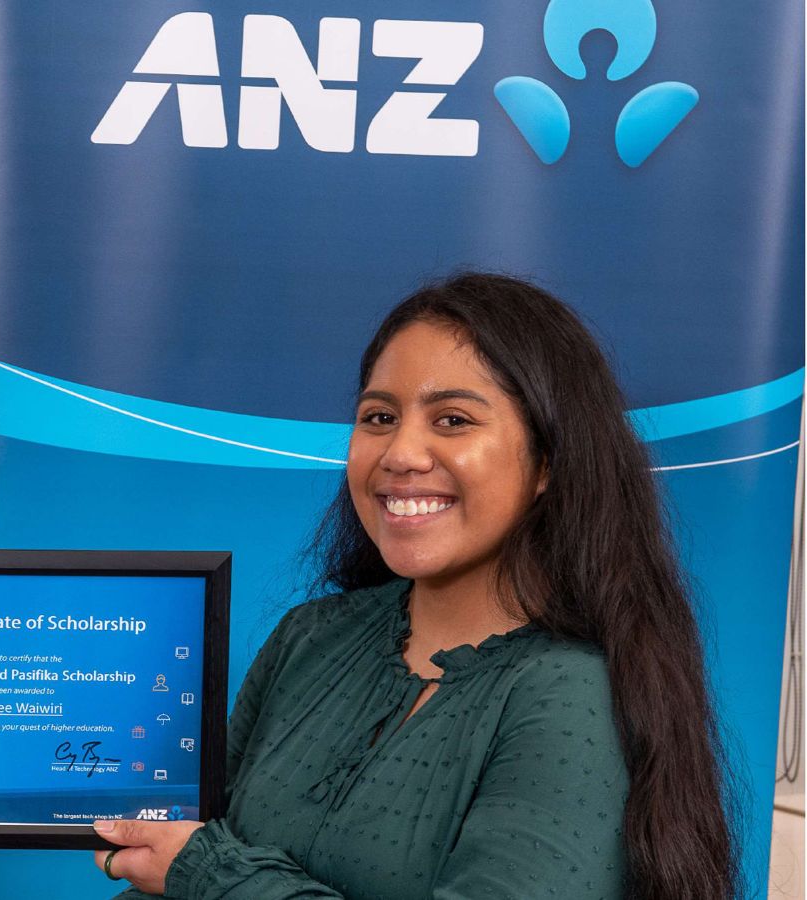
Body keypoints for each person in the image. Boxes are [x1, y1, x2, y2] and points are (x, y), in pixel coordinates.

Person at [92, 273, 735, 899]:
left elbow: (199, 867)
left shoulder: (572, 694)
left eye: (453, 420)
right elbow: (179, 865)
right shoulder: (311, 636)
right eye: (378, 416)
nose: (399, 453)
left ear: (549, 462)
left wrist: (208, 874)